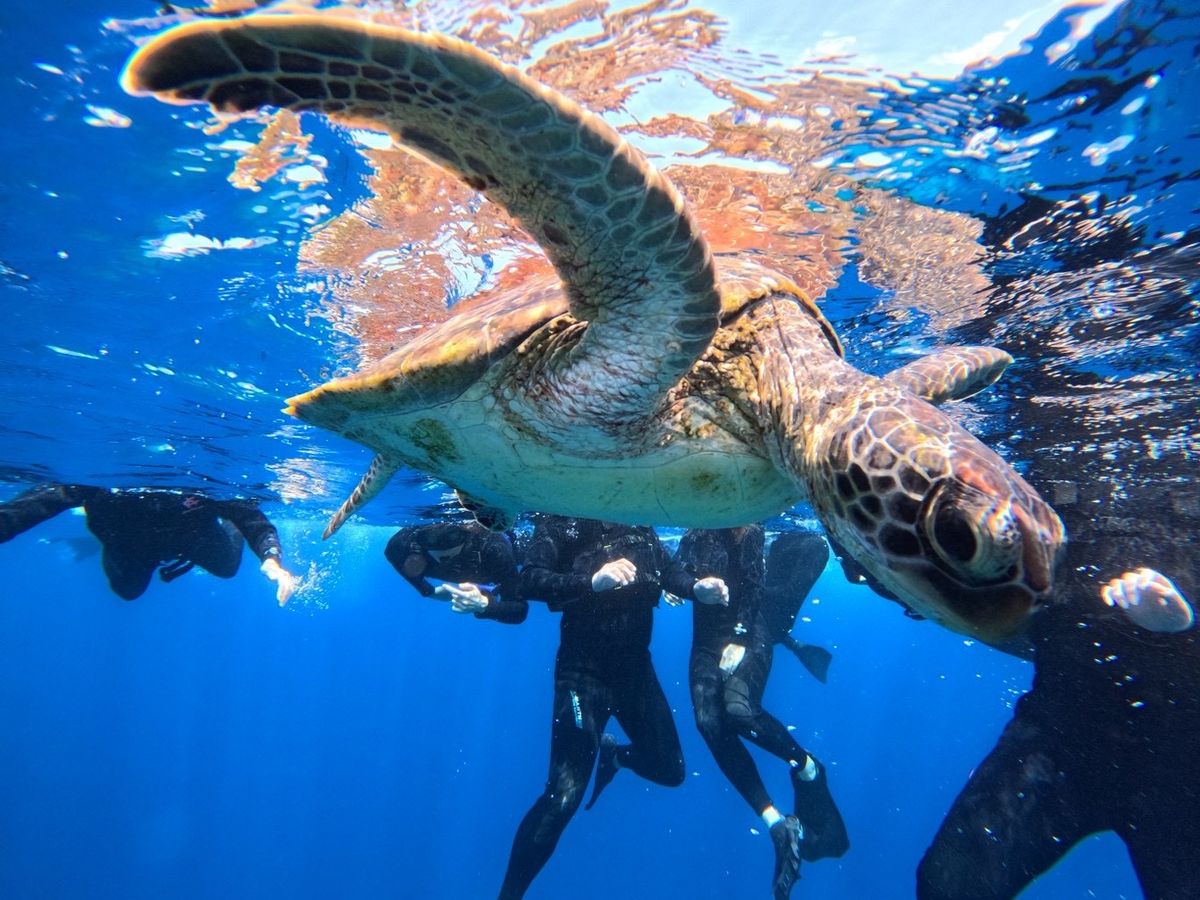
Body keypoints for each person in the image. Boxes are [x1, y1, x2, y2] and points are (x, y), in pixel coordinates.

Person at [916, 489, 1199, 900]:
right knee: (949, 882)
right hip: (1061, 732)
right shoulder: (1035, 484)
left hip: (1183, 749)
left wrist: (1183, 624)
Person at [497, 516, 704, 900]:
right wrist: (590, 582)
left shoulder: (637, 519)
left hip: (635, 671)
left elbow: (667, 569)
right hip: (583, 673)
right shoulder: (561, 519)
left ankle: (616, 756)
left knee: (671, 770)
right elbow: (530, 579)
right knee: (563, 799)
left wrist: (695, 588)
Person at [668, 526, 849, 900]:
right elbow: (673, 570)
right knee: (707, 723)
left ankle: (808, 766)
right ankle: (776, 824)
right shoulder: (694, 532)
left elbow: (754, 586)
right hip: (705, 641)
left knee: (739, 711)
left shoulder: (747, 530)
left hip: (750, 631)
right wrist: (678, 586)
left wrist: (738, 637)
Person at [0, 483, 298, 604]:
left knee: (227, 567)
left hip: (191, 538)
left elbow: (250, 519)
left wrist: (271, 560)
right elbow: (54, 495)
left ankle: (229, 520)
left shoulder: (202, 486)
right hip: (129, 543)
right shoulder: (108, 490)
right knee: (127, 590)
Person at [384, 520, 526, 624]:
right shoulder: (403, 547)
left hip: (501, 560)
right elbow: (395, 558)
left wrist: (485, 605)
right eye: (428, 537)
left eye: (450, 535)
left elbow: (519, 610)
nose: (440, 543)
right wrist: (429, 591)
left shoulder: (494, 549)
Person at [763, 531, 836, 683]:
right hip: (773, 622)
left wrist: (750, 588)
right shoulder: (803, 542)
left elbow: (791, 592)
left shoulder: (814, 545)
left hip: (771, 620)